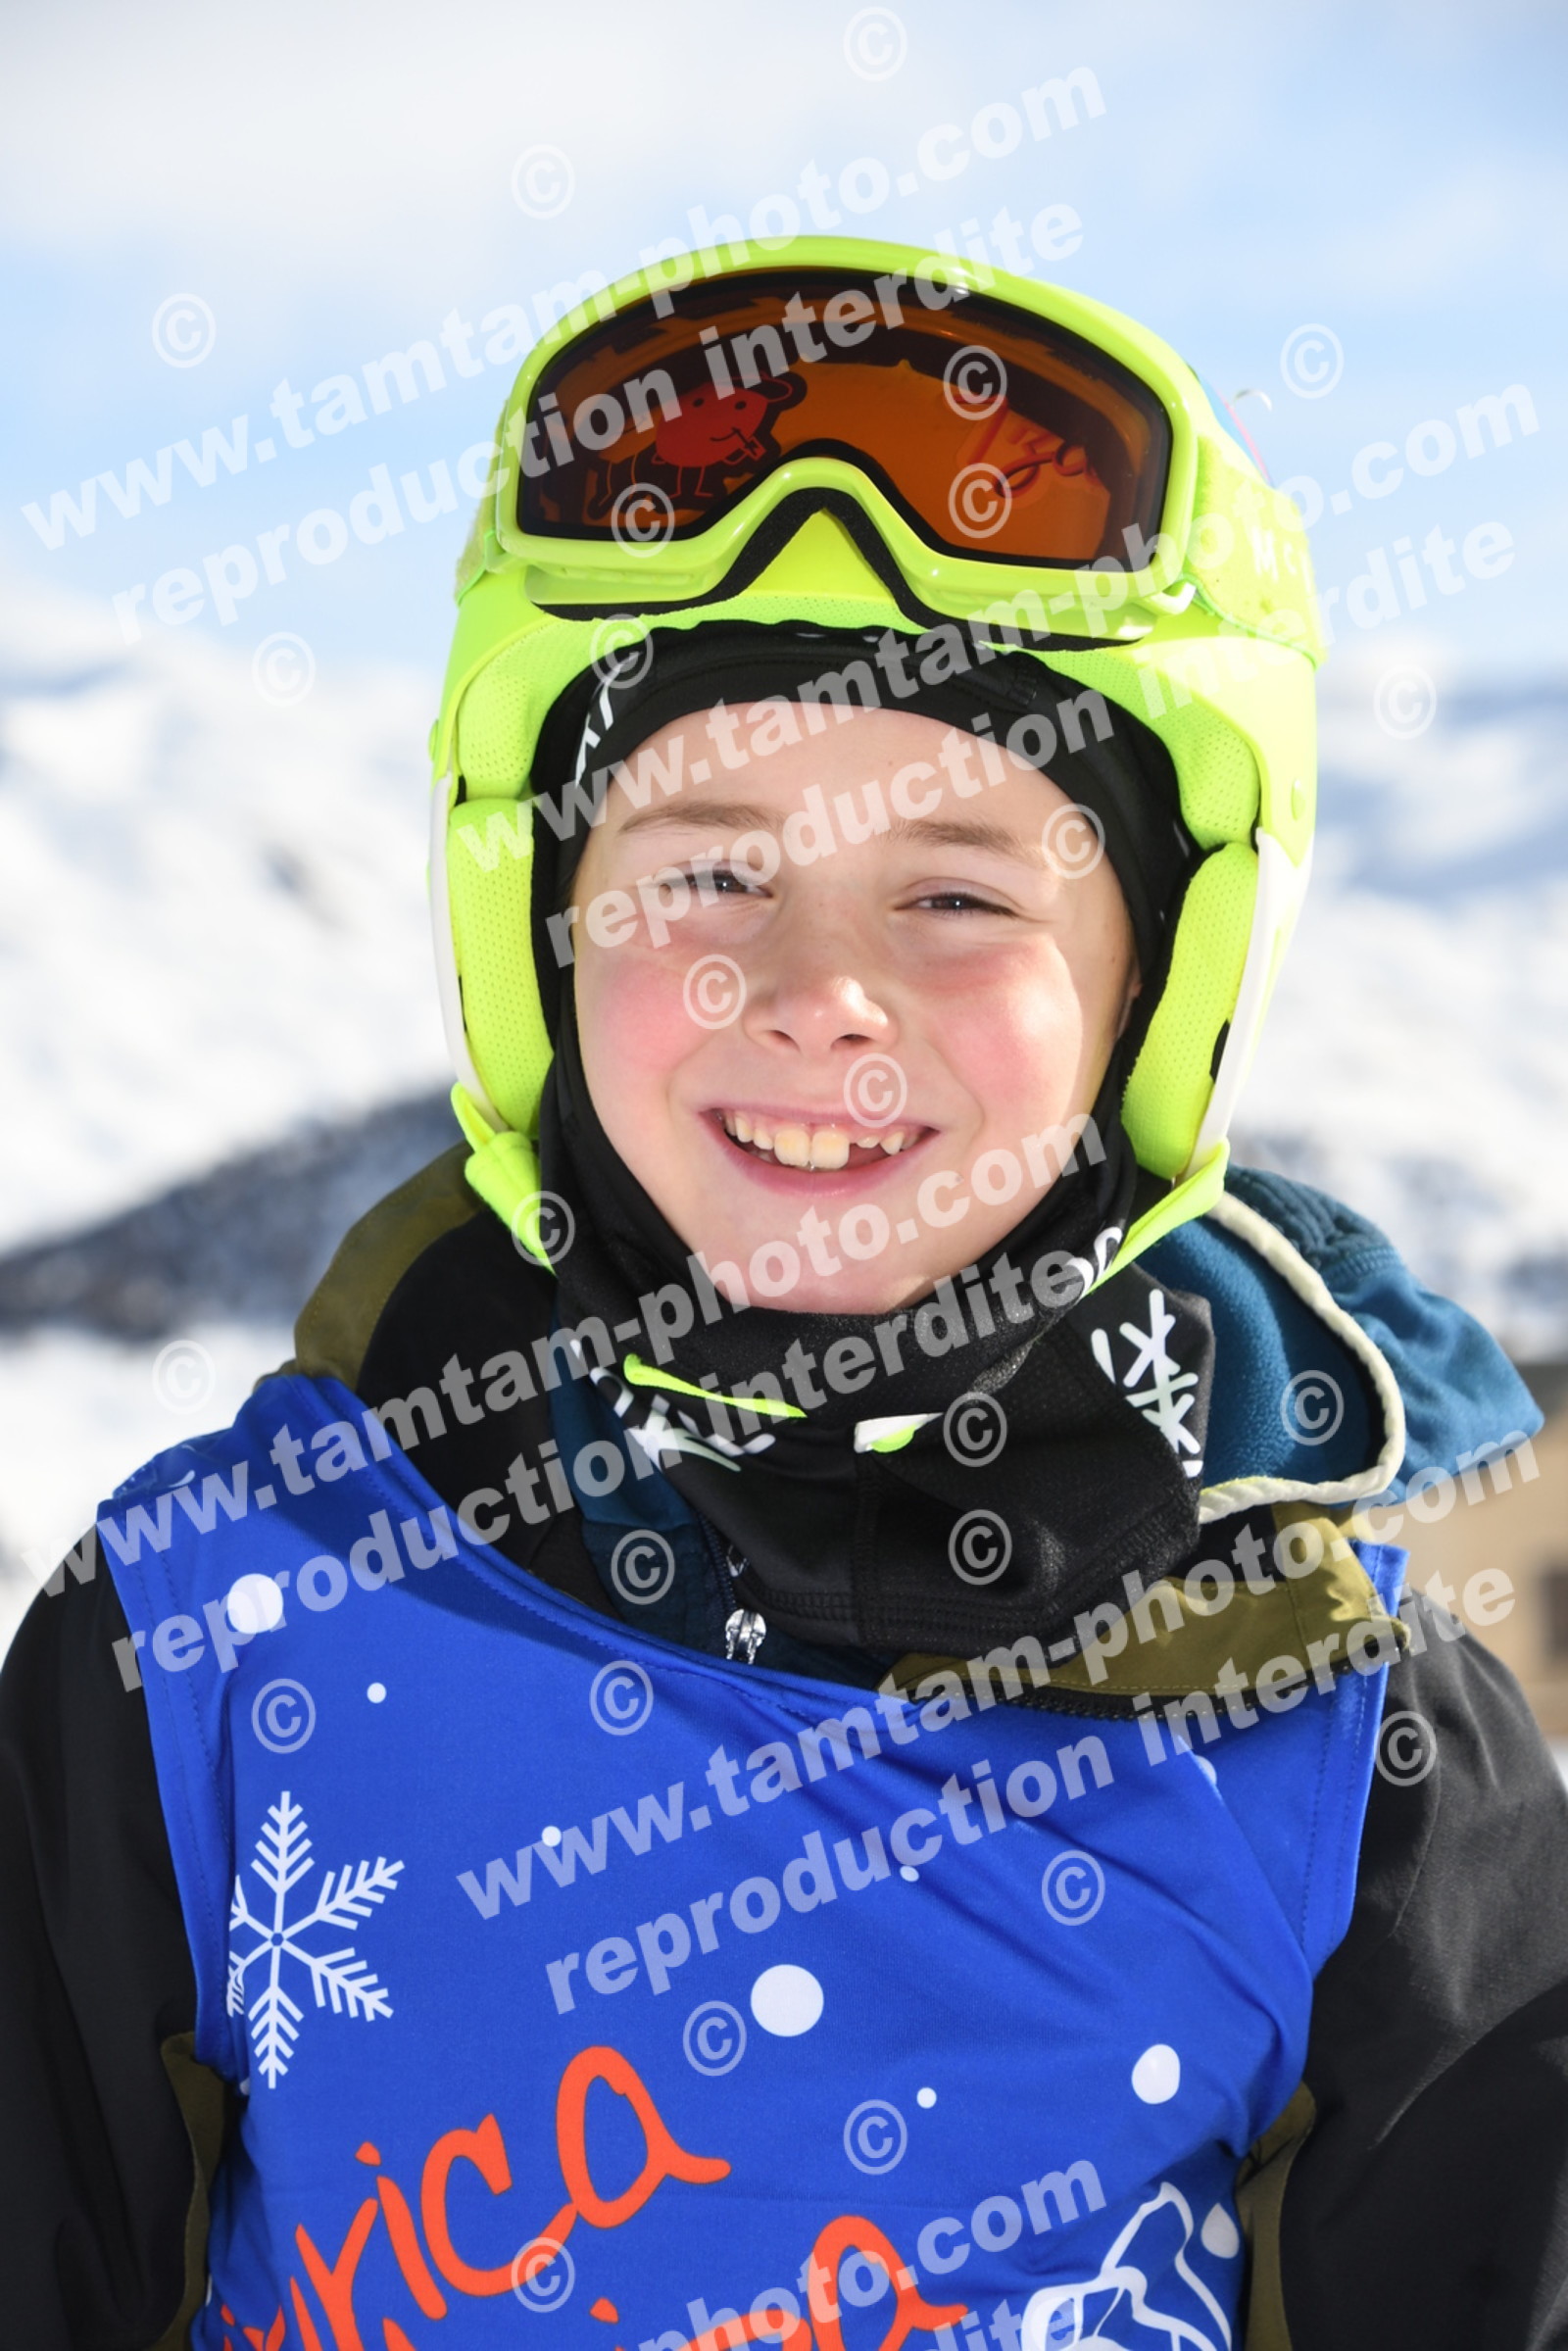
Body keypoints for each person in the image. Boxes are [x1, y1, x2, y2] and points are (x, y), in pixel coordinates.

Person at [3, 238, 1565, 2351]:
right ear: (541, 926)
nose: (820, 991)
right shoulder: (202, 1644)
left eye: (957, 893)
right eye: (710, 869)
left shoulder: (1345, 1757)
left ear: (1155, 991)